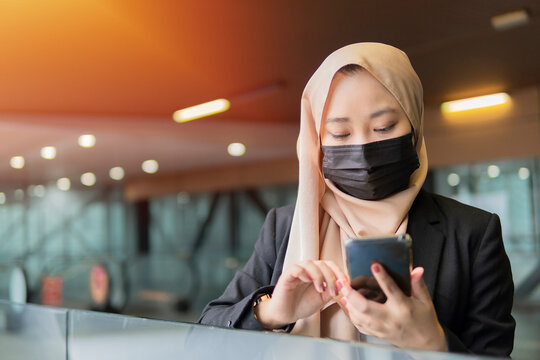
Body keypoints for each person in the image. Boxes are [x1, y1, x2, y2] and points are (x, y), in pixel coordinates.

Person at [198, 43, 515, 357]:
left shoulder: (473, 232)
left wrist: (432, 343)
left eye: (383, 127)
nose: (363, 148)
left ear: (415, 124)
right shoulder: (284, 227)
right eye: (339, 134)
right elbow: (203, 337)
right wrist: (271, 312)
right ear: (317, 140)